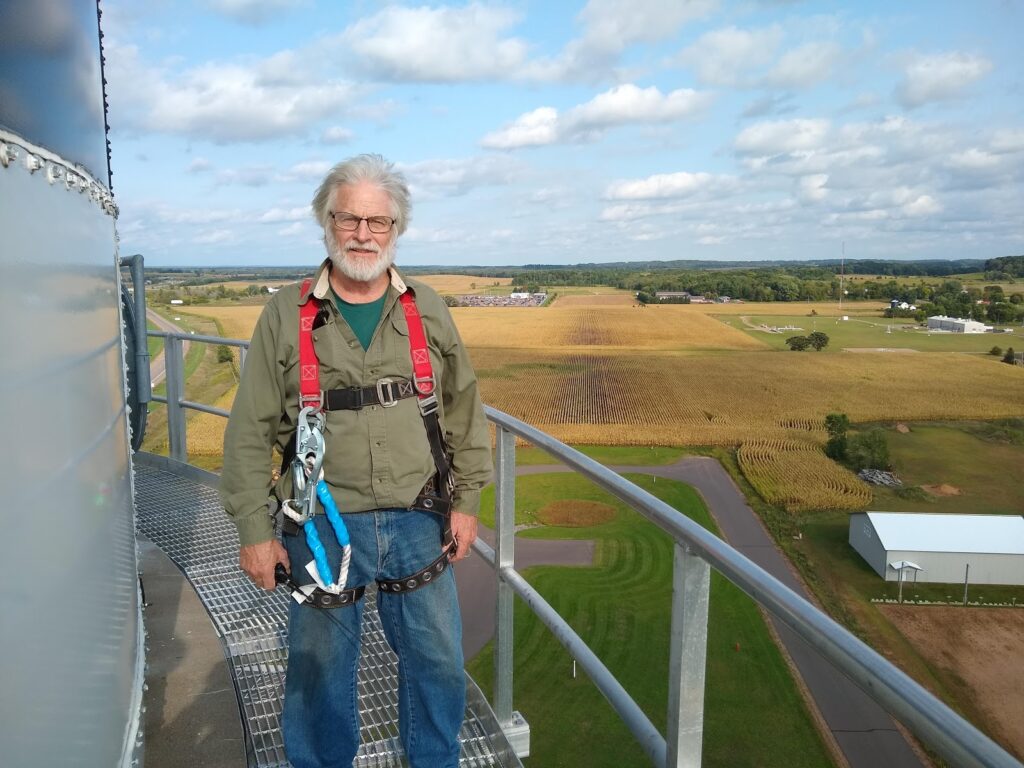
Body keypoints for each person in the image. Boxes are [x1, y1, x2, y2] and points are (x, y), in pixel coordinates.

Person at [220, 153, 492, 768]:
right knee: (319, 676)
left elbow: (465, 411)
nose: (364, 235)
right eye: (349, 220)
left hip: (420, 519)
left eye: (378, 222)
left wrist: (468, 501)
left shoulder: (428, 309)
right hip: (319, 524)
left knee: (438, 669)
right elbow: (248, 429)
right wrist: (254, 532)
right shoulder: (285, 314)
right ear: (326, 222)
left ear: (397, 230)